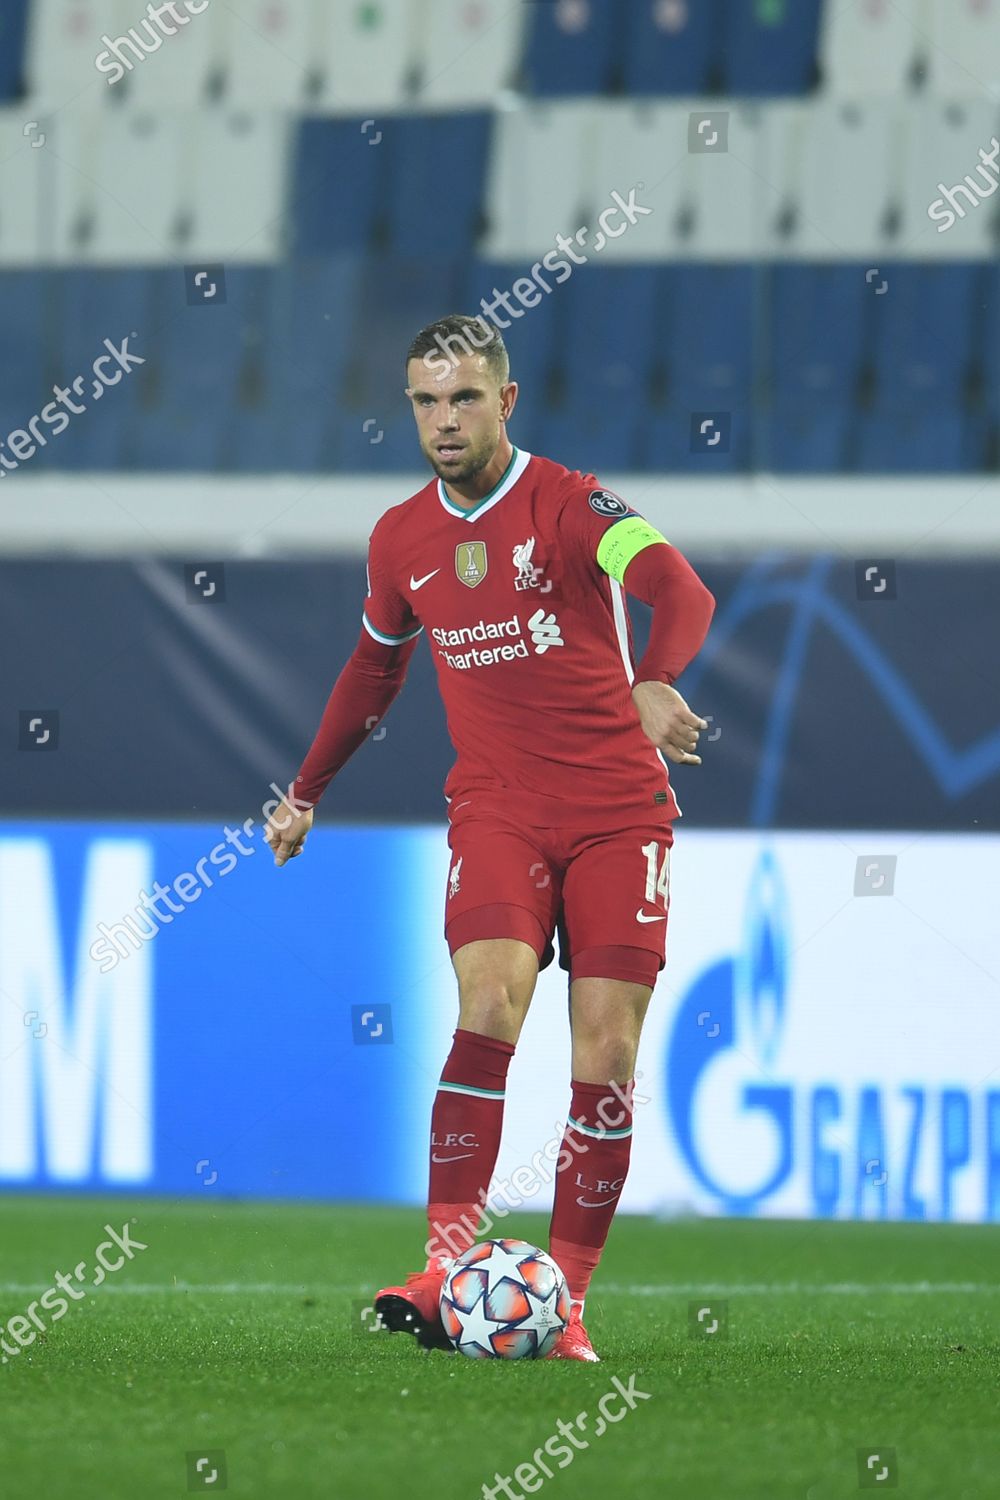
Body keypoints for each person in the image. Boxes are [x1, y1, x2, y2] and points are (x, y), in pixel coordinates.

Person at [265, 314, 715, 1361]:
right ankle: (441, 1267)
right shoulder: (400, 537)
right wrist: (305, 790)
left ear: (504, 402)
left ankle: (567, 1305)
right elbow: (375, 668)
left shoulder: (569, 503)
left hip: (615, 811)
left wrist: (654, 682)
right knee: (488, 1002)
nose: (443, 419)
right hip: (498, 810)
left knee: (603, 1052)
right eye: (425, 400)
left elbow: (675, 588)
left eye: (464, 397)